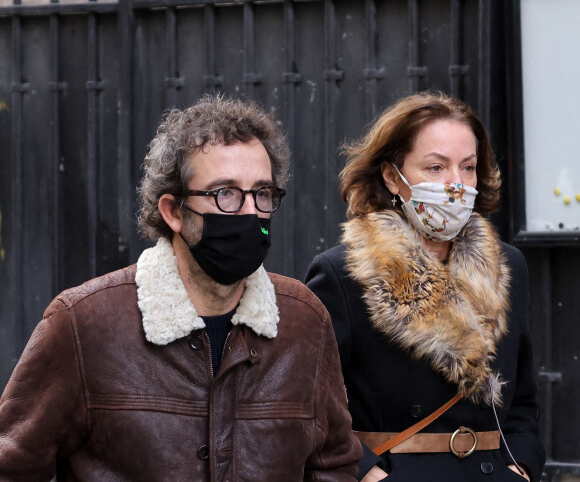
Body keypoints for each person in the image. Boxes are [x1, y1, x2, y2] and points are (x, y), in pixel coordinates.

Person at [0, 94, 362, 481]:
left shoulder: (303, 321)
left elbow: (333, 466)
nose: (251, 212)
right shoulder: (83, 324)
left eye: (262, 193)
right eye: (225, 194)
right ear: (173, 211)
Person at [305, 92, 545, 482]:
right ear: (391, 176)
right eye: (435, 167)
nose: (456, 184)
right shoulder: (341, 272)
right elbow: (314, 404)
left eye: (467, 168)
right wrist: (371, 476)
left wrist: (519, 468)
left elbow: (523, 399)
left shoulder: (506, 265)